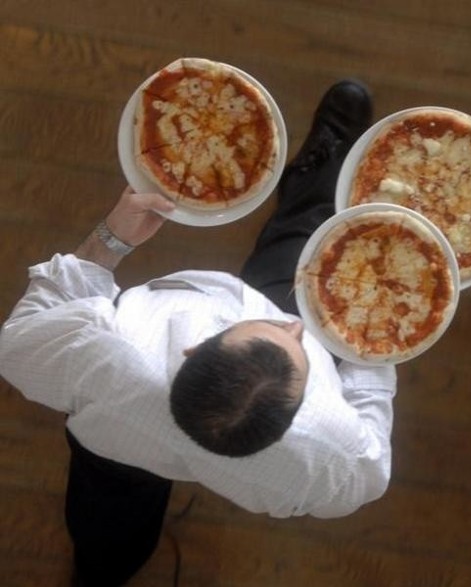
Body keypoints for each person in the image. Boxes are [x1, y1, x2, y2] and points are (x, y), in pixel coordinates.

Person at [0, 80, 397, 586]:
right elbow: (369, 465)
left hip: (110, 448)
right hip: (193, 452)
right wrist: (372, 346)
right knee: (299, 240)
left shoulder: (102, 353)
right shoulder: (330, 457)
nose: (296, 325)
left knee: (106, 532)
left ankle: (102, 572)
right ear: (295, 417)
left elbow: (21, 338)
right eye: (295, 338)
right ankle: (320, 178)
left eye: (282, 332)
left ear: (193, 348)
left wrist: (113, 237)